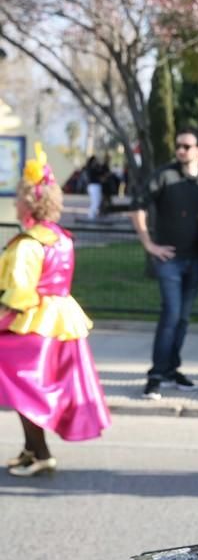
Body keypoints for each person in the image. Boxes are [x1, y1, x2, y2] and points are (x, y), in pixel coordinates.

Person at [0, 144, 110, 476]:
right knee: (31, 388)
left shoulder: (28, 244)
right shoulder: (61, 237)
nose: (16, 203)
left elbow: (19, 293)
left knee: (24, 388)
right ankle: (31, 448)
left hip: (32, 324)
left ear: (29, 203)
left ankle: (41, 453)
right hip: (61, 321)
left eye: (19, 198)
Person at [131, 126, 198, 400]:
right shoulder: (165, 175)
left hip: (196, 259)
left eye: (187, 146)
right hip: (169, 259)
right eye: (178, 146)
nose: (181, 150)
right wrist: (148, 244)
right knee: (170, 314)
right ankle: (155, 375)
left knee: (182, 319)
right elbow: (138, 206)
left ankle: (171, 369)